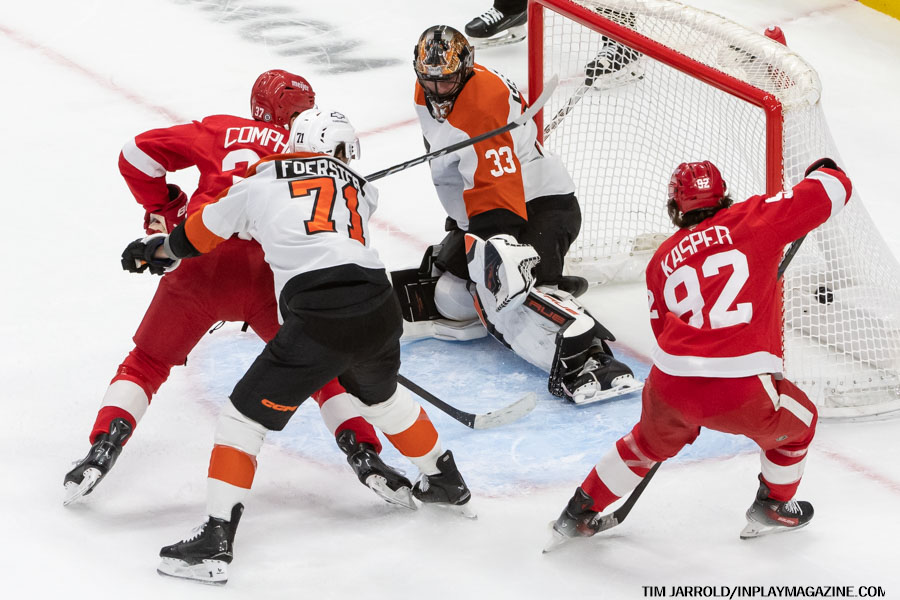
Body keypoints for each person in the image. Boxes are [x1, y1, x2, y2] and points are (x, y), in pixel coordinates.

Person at [127, 108, 472, 584]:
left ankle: (214, 541)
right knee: (382, 398)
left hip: (318, 312)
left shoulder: (256, 184)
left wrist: (156, 249)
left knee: (242, 419)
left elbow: (195, 238)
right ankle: (445, 480)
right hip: (380, 306)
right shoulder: (361, 189)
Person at [64, 70, 409, 508]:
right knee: (322, 371)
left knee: (146, 364)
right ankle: (363, 453)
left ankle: (102, 449)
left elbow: (135, 154)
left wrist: (166, 209)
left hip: (199, 263)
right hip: (268, 277)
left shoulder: (220, 129)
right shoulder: (307, 153)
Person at [547, 158, 853, 545]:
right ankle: (774, 506)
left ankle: (577, 513)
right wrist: (823, 170)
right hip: (740, 388)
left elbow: (663, 331)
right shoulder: (754, 218)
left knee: (644, 444)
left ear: (675, 208)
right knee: (799, 425)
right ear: (723, 196)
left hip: (670, 383)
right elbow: (836, 187)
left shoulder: (661, 260)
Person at [411, 25, 641, 405]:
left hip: (542, 206)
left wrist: (495, 257)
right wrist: (462, 224)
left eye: (447, 81)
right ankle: (544, 284)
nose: (437, 91)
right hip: (499, 198)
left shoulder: (482, 106)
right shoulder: (428, 89)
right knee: (450, 297)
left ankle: (590, 358)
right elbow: (455, 163)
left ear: (465, 69)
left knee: (509, 293)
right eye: (430, 81)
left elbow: (497, 200)